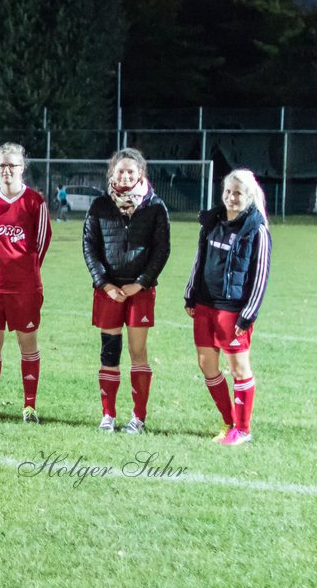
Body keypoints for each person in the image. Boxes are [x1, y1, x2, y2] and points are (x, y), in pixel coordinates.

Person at [82, 147, 171, 433]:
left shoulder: (155, 207)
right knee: (109, 352)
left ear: (140, 174)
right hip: (108, 291)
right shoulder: (100, 205)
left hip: (139, 292)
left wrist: (141, 282)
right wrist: (105, 284)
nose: (125, 175)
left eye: (131, 171)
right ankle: (108, 415)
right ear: (112, 173)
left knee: (137, 351)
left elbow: (162, 250)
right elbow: (89, 247)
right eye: (120, 170)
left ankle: (138, 418)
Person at [185, 169, 272, 446]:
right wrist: (190, 294)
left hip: (233, 310)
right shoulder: (211, 222)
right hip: (205, 304)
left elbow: (261, 275)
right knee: (206, 365)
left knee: (239, 367)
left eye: (238, 193)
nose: (232, 198)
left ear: (249, 196)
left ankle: (243, 429)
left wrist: (248, 313)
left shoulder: (256, 229)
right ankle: (229, 421)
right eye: (228, 192)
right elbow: (199, 261)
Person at [0, 143, 52, 423]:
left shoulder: (35, 202)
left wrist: (23, 270)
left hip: (24, 287)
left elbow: (41, 244)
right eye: (2, 165)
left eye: (12, 165)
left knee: (27, 344)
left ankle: (29, 406)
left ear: (22, 168)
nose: (7, 170)